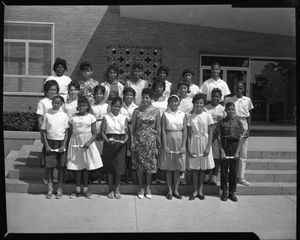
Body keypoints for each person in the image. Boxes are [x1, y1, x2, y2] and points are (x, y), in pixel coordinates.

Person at [66, 96, 103, 199]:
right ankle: (77, 190)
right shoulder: (72, 117)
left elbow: (95, 133)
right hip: (75, 143)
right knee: (77, 167)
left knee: (86, 167)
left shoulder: (91, 117)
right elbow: (70, 132)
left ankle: (86, 190)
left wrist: (88, 142)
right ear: (77, 106)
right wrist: (69, 145)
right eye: (80, 105)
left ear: (87, 106)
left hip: (87, 143)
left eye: (84, 105)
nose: (82, 107)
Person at [131, 88, 161, 199]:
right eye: (143, 97)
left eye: (147, 98)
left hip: (151, 141)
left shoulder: (156, 111)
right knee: (139, 165)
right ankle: (141, 187)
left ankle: (148, 186)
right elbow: (132, 127)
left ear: (151, 99)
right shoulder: (137, 111)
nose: (145, 99)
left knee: (149, 165)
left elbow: (158, 127)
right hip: (139, 141)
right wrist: (132, 141)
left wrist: (159, 141)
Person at [224, 81, 254, 186]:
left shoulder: (248, 100)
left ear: (244, 89)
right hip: (233, 124)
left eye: (240, 88)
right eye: (237, 88)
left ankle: (241, 177)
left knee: (243, 152)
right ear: (234, 88)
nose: (239, 90)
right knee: (232, 151)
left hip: (244, 124)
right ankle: (232, 175)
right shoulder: (229, 100)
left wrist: (249, 129)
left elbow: (249, 115)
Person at [186, 93, 214, 201]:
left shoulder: (208, 116)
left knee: (203, 169)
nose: (199, 104)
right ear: (194, 104)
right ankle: (195, 190)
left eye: (201, 103)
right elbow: (188, 134)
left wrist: (208, 147)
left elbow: (211, 133)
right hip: (194, 142)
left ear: (204, 104)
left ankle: (201, 190)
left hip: (204, 142)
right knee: (195, 168)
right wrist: (188, 148)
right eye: (197, 103)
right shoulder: (190, 117)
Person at [40, 95, 69, 199]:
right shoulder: (47, 115)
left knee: (61, 167)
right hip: (50, 142)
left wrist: (64, 145)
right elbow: (43, 130)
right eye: (54, 102)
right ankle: (50, 190)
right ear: (52, 102)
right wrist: (46, 145)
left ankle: (60, 190)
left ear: (61, 104)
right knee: (49, 167)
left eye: (58, 103)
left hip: (61, 143)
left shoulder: (64, 115)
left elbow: (66, 131)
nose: (56, 104)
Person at [215, 102, 245, 202]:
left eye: (232, 109)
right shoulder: (221, 122)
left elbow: (241, 138)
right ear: (225, 110)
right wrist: (222, 151)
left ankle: (232, 192)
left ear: (234, 110)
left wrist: (237, 152)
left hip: (235, 146)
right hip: (225, 145)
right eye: (229, 109)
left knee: (234, 170)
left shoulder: (238, 122)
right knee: (223, 170)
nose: (231, 111)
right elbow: (218, 138)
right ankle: (224, 191)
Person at [159, 94, 187, 200]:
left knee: (177, 168)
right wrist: (165, 145)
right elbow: (163, 130)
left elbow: (185, 130)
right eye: (171, 102)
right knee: (169, 167)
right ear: (168, 103)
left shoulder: (183, 114)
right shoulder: (165, 114)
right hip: (169, 139)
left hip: (179, 139)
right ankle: (169, 190)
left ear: (178, 103)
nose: (173, 103)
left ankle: (176, 190)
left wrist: (183, 145)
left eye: (175, 101)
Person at [101, 97, 129, 199]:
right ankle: (110, 189)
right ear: (111, 106)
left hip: (120, 144)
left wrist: (123, 142)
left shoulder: (124, 118)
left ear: (121, 107)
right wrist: (108, 141)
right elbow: (102, 133)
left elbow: (127, 134)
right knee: (110, 167)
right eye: (114, 106)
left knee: (119, 168)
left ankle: (117, 189)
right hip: (109, 143)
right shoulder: (106, 117)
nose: (116, 108)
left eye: (118, 106)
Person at [37, 80, 61, 184]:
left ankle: (55, 177)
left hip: (58, 134)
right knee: (47, 156)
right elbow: (40, 119)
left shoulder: (59, 101)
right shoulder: (42, 102)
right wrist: (42, 135)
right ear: (46, 91)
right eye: (51, 90)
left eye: (55, 90)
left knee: (57, 157)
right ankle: (46, 177)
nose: (53, 92)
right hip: (47, 133)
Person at [204, 88, 226, 186]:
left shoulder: (222, 109)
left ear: (220, 98)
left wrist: (217, 134)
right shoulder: (206, 108)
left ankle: (214, 178)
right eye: (213, 96)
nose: (215, 98)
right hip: (207, 135)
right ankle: (206, 176)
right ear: (210, 97)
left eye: (217, 96)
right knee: (207, 156)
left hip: (218, 136)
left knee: (216, 157)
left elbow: (224, 123)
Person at [90, 85, 111, 184]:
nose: (99, 95)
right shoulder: (92, 106)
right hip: (95, 130)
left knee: (103, 155)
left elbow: (109, 120)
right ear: (94, 95)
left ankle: (103, 176)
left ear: (103, 95)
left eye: (100, 93)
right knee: (95, 154)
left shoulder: (107, 106)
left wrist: (103, 133)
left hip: (104, 130)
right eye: (97, 93)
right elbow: (90, 120)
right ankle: (95, 176)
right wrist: (95, 133)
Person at [151, 79, 168, 184]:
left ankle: (161, 176)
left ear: (164, 88)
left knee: (162, 151)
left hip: (163, 127)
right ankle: (153, 176)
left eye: (161, 87)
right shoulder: (151, 99)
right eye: (157, 86)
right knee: (153, 152)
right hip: (152, 127)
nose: (158, 88)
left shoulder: (167, 100)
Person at [120, 87, 138, 184]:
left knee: (130, 154)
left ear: (134, 97)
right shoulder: (120, 106)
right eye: (127, 94)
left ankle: (130, 175)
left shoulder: (135, 107)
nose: (129, 96)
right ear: (123, 96)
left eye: (131, 95)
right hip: (122, 131)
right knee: (123, 154)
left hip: (132, 131)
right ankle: (123, 174)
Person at [177, 81, 193, 185]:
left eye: (185, 88)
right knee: (180, 152)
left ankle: (184, 175)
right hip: (179, 128)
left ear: (187, 89)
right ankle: (178, 174)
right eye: (181, 88)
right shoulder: (175, 100)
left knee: (187, 151)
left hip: (190, 127)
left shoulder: (192, 100)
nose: (183, 90)